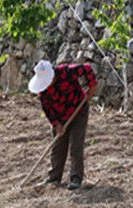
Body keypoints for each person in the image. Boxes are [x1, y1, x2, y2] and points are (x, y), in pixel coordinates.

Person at [28, 58, 97, 190]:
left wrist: (92, 88)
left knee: (75, 145)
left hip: (78, 112)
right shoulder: (43, 91)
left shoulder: (66, 72)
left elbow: (87, 68)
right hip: (60, 118)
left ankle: (76, 178)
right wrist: (56, 124)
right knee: (57, 147)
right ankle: (54, 177)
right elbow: (47, 109)